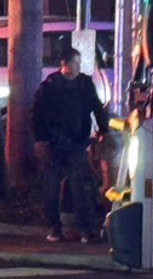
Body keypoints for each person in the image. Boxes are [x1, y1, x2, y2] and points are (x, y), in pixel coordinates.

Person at [32, 47, 110, 243]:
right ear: (64, 65)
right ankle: (55, 227)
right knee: (51, 189)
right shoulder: (49, 87)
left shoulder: (84, 84)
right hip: (54, 144)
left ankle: (85, 229)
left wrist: (103, 130)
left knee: (80, 189)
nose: (78, 66)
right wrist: (41, 140)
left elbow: (96, 107)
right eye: (75, 62)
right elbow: (36, 116)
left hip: (76, 143)